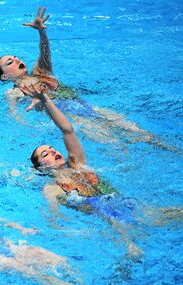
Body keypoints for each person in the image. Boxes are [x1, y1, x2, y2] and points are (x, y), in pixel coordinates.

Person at [0, 6, 169, 150]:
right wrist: (31, 128)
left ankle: (171, 150)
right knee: (116, 144)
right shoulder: (14, 93)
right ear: (4, 76)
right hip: (72, 116)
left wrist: (41, 32)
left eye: (16, 58)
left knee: (139, 131)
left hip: (86, 105)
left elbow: (45, 53)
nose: (17, 60)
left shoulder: (40, 71)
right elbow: (16, 116)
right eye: (10, 62)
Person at [21, 83, 145, 258]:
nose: (53, 151)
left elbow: (67, 130)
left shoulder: (77, 164)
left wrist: (46, 100)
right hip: (111, 221)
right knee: (132, 250)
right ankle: (128, 246)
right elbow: (55, 219)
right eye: (45, 154)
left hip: (128, 203)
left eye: (51, 148)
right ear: (41, 167)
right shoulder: (52, 189)